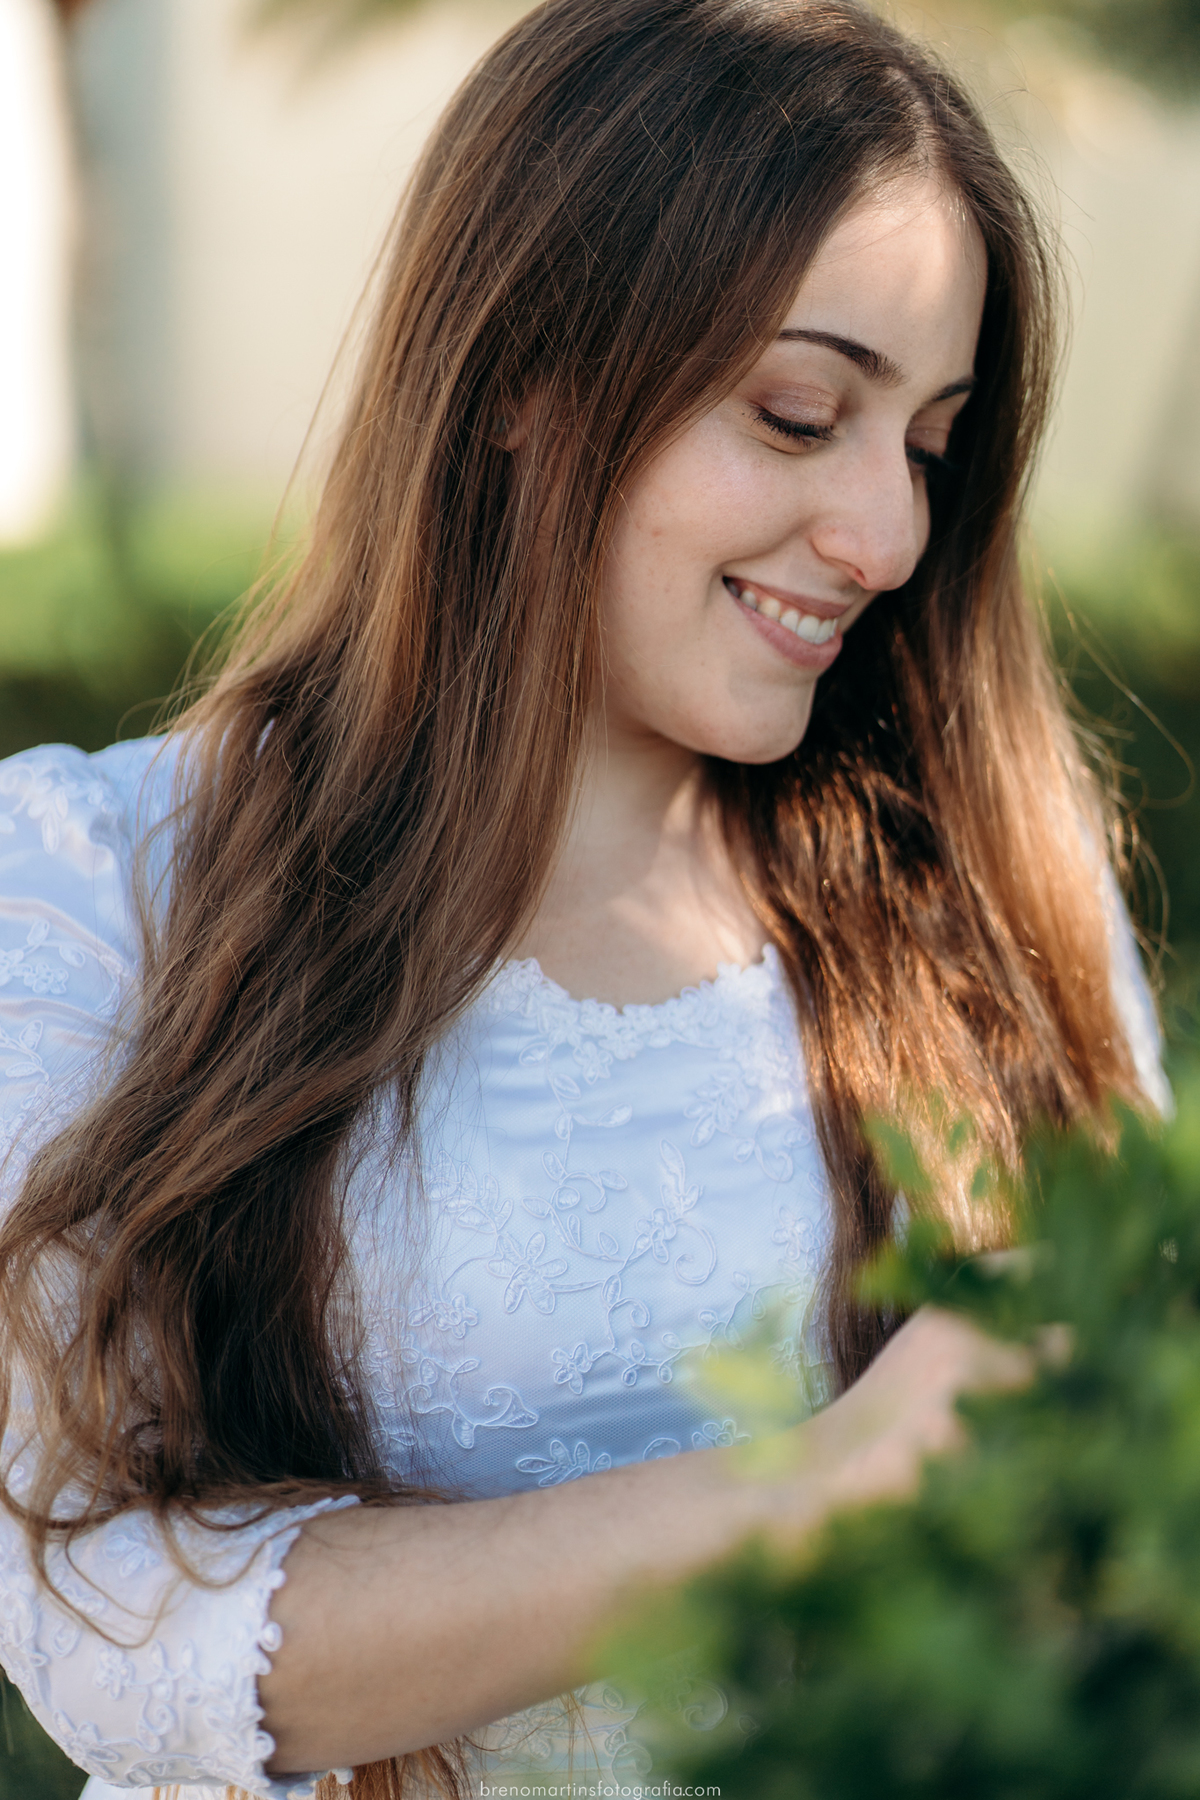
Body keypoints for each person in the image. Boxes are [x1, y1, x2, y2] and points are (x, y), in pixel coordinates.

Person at [0, 0, 1167, 1796]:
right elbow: (117, 1637)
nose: (888, 534)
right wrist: (832, 1484)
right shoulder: (98, 886)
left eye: (927, 444)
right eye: (798, 416)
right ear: (529, 376)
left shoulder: (996, 875)